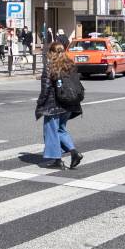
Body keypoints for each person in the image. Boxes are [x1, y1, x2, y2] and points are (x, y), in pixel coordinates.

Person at [35, 42, 84, 170]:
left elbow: (45, 89)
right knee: (61, 130)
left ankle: (57, 160)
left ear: (51, 52)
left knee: (51, 132)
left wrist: (40, 103)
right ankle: (74, 153)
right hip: (69, 104)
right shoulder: (70, 65)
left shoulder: (50, 67)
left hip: (53, 106)